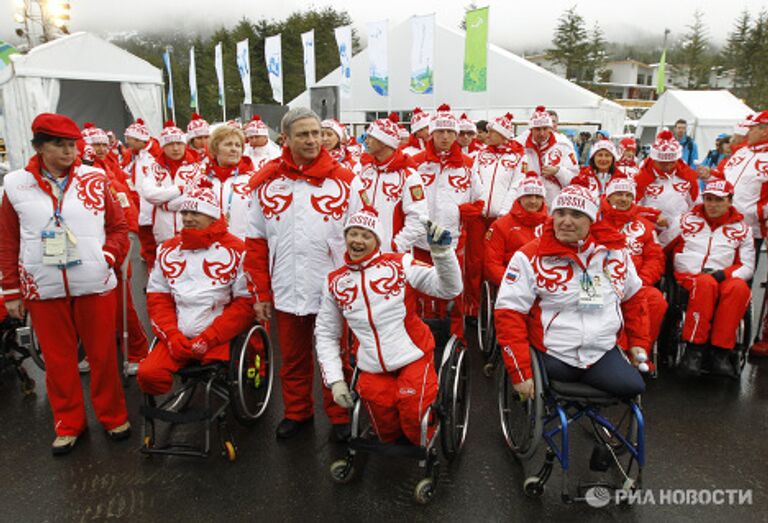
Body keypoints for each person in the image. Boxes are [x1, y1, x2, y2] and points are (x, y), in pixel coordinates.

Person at [0, 113, 131, 455]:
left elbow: (119, 229)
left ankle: (113, 415)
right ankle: (69, 423)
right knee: (59, 362)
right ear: (40, 147)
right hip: (42, 288)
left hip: (94, 282)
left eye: (72, 144)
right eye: (59, 144)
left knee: (103, 355)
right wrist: (11, 290)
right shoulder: (15, 185)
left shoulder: (97, 178)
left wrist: (107, 257)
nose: (68, 151)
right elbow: (7, 241)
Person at [243, 107, 365, 442]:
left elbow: (366, 235)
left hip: (333, 289)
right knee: (293, 358)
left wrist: (359, 283)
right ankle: (297, 411)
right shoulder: (266, 185)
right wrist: (261, 294)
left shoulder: (346, 181)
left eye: (316, 133)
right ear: (285, 139)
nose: (313, 140)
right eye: (303, 134)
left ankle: (340, 414)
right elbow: (255, 243)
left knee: (336, 355)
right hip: (286, 287)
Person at [315, 208, 462, 445]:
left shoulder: (400, 264)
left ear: (377, 240)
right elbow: (326, 333)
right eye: (353, 233)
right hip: (372, 365)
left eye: (366, 235)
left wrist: (443, 254)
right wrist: (335, 380)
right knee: (385, 431)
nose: (358, 241)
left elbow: (449, 289)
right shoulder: (334, 281)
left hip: (413, 355)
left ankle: (424, 440)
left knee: (414, 418)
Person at [494, 184, 649, 399]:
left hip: (600, 353)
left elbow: (634, 299)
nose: (566, 221)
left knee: (634, 386)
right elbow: (509, 314)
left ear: (592, 220)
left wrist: (638, 343)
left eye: (576, 214)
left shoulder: (616, 254)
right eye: (560, 213)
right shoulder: (528, 257)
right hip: (554, 355)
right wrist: (520, 372)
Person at [137, 178, 255, 394]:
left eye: (195, 213)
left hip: (219, 337)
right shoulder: (167, 249)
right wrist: (172, 336)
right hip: (177, 337)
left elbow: (245, 304)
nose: (188, 219)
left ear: (212, 216)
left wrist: (209, 338)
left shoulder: (238, 250)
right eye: (184, 213)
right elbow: (158, 299)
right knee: (148, 374)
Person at [667, 179, 754, 377]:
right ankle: (694, 351)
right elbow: (662, 245)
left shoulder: (744, 230)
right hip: (691, 275)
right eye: (709, 199)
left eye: (719, 200)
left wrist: (724, 274)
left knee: (739, 289)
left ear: (730, 201)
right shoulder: (685, 220)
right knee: (705, 284)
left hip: (724, 275)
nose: (712, 205)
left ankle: (721, 353)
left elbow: (748, 266)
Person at [411, 104, 484, 335]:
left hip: (452, 241)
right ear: (431, 133)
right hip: (421, 241)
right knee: (422, 292)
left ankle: (456, 338)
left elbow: (479, 202)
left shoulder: (469, 165)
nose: (445, 137)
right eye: (440, 132)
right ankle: (423, 340)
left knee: (453, 291)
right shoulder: (415, 163)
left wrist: (462, 211)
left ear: (456, 135)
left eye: (450, 132)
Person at [84, 125, 149, 374]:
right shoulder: (89, 171)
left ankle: (137, 350)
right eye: (94, 145)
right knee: (91, 307)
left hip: (114, 243)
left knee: (123, 304)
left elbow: (127, 203)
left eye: (103, 144)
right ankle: (96, 352)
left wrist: (128, 235)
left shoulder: (110, 170)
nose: (100, 149)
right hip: (86, 248)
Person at [465, 113, 526, 316]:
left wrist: (504, 213)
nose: (488, 135)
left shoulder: (518, 158)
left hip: (501, 219)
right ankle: (473, 305)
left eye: (493, 132)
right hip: (478, 218)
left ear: (503, 134)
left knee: (495, 262)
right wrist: (478, 205)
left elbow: (516, 186)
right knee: (474, 261)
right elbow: (474, 181)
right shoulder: (480, 155)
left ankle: (497, 303)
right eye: (488, 131)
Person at [600, 175, 667, 350]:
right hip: (600, 282)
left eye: (628, 195)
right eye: (619, 194)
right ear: (608, 197)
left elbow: (655, 258)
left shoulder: (644, 226)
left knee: (656, 300)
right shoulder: (594, 221)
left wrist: (640, 281)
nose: (623, 199)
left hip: (636, 283)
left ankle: (639, 351)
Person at [353, 113, 428, 253]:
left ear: (383, 141)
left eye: (370, 137)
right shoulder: (363, 171)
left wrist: (395, 247)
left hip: (391, 257)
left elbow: (418, 220)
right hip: (361, 253)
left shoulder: (409, 176)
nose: (366, 141)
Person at [179, 125, 256, 239]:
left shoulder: (253, 180)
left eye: (238, 145)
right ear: (215, 149)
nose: (234, 149)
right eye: (228, 144)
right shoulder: (199, 180)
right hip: (206, 248)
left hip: (243, 247)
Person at [139, 121, 200, 265]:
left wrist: (165, 205)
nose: (175, 148)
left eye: (179, 143)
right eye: (170, 144)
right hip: (162, 230)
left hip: (191, 229)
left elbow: (195, 197)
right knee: (164, 271)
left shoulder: (196, 168)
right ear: (163, 147)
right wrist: (178, 189)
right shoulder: (153, 168)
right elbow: (149, 194)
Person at [635, 129, 699, 246]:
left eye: (671, 162)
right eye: (662, 163)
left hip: (680, 235)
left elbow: (696, 206)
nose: (667, 166)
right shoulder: (642, 178)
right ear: (654, 159)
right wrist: (653, 217)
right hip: (650, 234)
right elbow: (634, 208)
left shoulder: (687, 177)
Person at [483, 174, 547, 287]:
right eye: (528, 196)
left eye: (538, 196)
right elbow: (492, 264)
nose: (533, 201)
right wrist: (514, 283)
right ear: (519, 198)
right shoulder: (500, 225)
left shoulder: (552, 225)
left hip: (546, 283)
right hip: (514, 284)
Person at [519, 105, 579, 206]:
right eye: (538, 129)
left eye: (545, 129)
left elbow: (574, 177)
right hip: (528, 203)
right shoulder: (520, 145)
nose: (542, 133)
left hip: (554, 203)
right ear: (531, 129)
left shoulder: (563, 145)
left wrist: (557, 171)